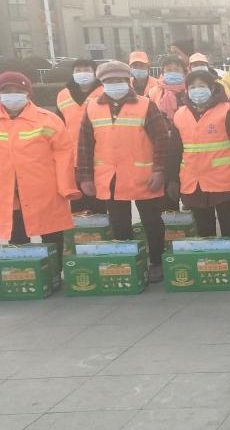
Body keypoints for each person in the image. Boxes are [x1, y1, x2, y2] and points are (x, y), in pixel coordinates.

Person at [77, 61, 169, 283]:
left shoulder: (146, 105)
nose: (114, 84)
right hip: (110, 177)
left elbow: (161, 140)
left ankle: (157, 261)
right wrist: (85, 177)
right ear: (102, 83)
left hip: (144, 176)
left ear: (128, 81)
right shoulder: (91, 108)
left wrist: (159, 171)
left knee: (151, 222)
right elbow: (85, 145)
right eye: (109, 81)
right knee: (119, 223)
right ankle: (127, 262)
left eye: (119, 80)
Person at [165, 69, 230, 253]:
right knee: (204, 231)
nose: (197, 90)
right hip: (193, 183)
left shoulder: (226, 110)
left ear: (212, 88)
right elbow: (174, 151)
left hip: (223, 182)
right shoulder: (180, 114)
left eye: (202, 86)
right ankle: (210, 263)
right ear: (187, 90)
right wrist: (172, 179)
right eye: (192, 87)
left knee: (229, 228)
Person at [0, 72, 80, 250]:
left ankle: (55, 267)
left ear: (28, 93)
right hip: (8, 193)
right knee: (18, 241)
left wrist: (66, 187)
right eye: (6, 91)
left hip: (44, 191)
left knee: (53, 236)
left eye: (18, 91)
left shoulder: (48, 120)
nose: (12, 95)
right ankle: (24, 267)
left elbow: (64, 154)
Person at [55, 58, 103, 213]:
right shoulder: (63, 95)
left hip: (99, 155)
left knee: (99, 199)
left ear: (95, 73)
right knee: (77, 201)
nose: (82, 73)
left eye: (87, 69)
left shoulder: (104, 92)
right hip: (73, 156)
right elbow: (58, 124)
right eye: (78, 70)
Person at [149, 56, 189, 122]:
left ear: (184, 73)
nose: (173, 73)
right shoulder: (154, 92)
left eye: (177, 70)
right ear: (163, 73)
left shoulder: (190, 91)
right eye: (168, 70)